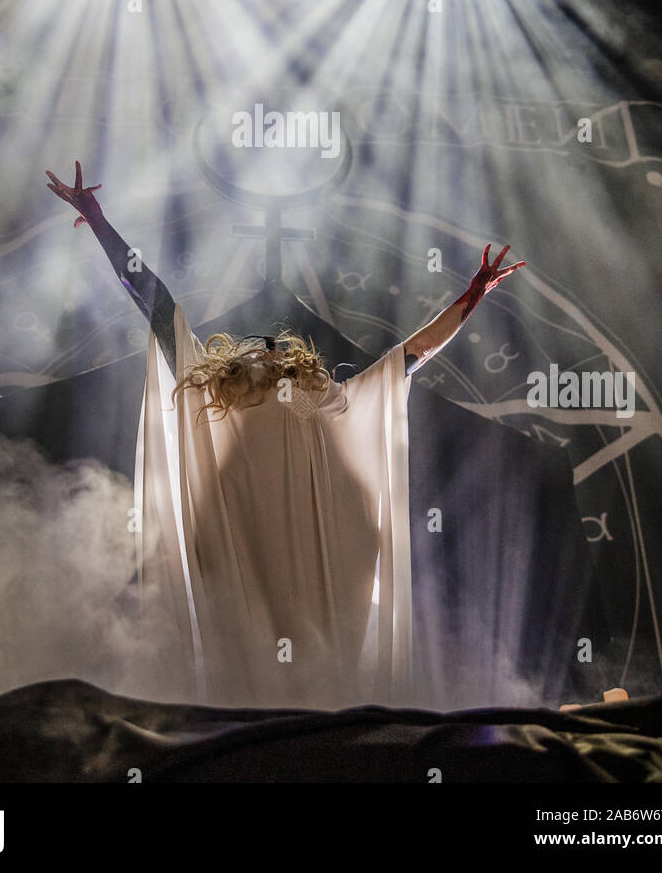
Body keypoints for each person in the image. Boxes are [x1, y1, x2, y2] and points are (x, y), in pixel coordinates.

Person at [46, 161, 525, 709]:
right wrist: (101, 222)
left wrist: (472, 297)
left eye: (276, 348)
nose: (267, 349)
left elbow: (411, 357)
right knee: (248, 664)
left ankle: (313, 725)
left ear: (297, 362)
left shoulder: (322, 400)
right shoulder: (216, 391)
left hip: (313, 553)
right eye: (257, 346)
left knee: (309, 670)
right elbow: (153, 301)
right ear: (234, 360)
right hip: (243, 539)